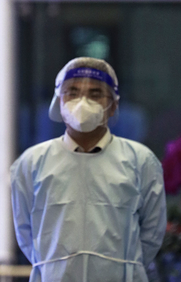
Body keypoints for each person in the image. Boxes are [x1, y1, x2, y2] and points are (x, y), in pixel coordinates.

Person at [10, 57, 166, 281]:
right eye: (72, 92)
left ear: (113, 106)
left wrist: (121, 266)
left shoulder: (141, 160)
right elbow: (25, 231)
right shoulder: (32, 162)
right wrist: (55, 266)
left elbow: (152, 232)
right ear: (59, 102)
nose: (83, 102)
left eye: (95, 94)